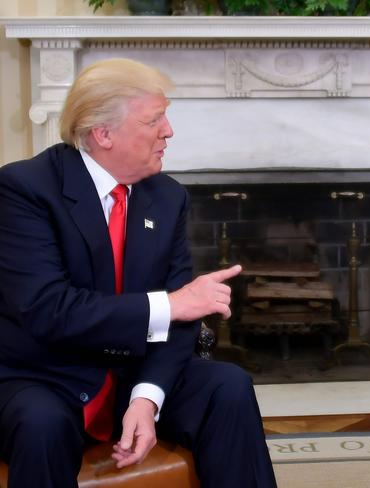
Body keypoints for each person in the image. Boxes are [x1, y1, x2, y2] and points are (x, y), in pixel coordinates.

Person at [0, 58, 277, 488]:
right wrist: (171, 304)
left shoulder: (166, 197)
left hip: (131, 372)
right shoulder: (24, 190)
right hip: (44, 376)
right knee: (42, 425)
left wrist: (147, 397)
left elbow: (181, 321)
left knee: (227, 385)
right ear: (103, 134)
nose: (169, 130)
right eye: (154, 119)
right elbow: (49, 310)